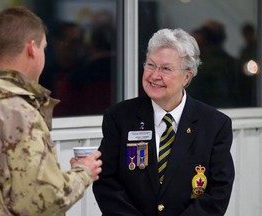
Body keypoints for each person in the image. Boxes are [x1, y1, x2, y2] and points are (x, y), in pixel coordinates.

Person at [0, 6, 102, 216]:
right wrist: (84, 171)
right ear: (32, 48)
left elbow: (6, 185)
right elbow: (44, 199)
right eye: (44, 47)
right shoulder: (18, 112)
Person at [93, 28, 235, 216]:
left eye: (166, 69)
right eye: (151, 65)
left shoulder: (215, 125)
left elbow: (218, 191)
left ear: (187, 76)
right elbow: (106, 181)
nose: (154, 75)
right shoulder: (119, 117)